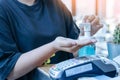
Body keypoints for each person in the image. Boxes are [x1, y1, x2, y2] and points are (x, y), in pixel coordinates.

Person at [0, 0, 102, 80]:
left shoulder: (57, 4)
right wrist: (53, 47)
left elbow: (72, 52)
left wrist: (84, 35)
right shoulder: (3, 8)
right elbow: (9, 71)